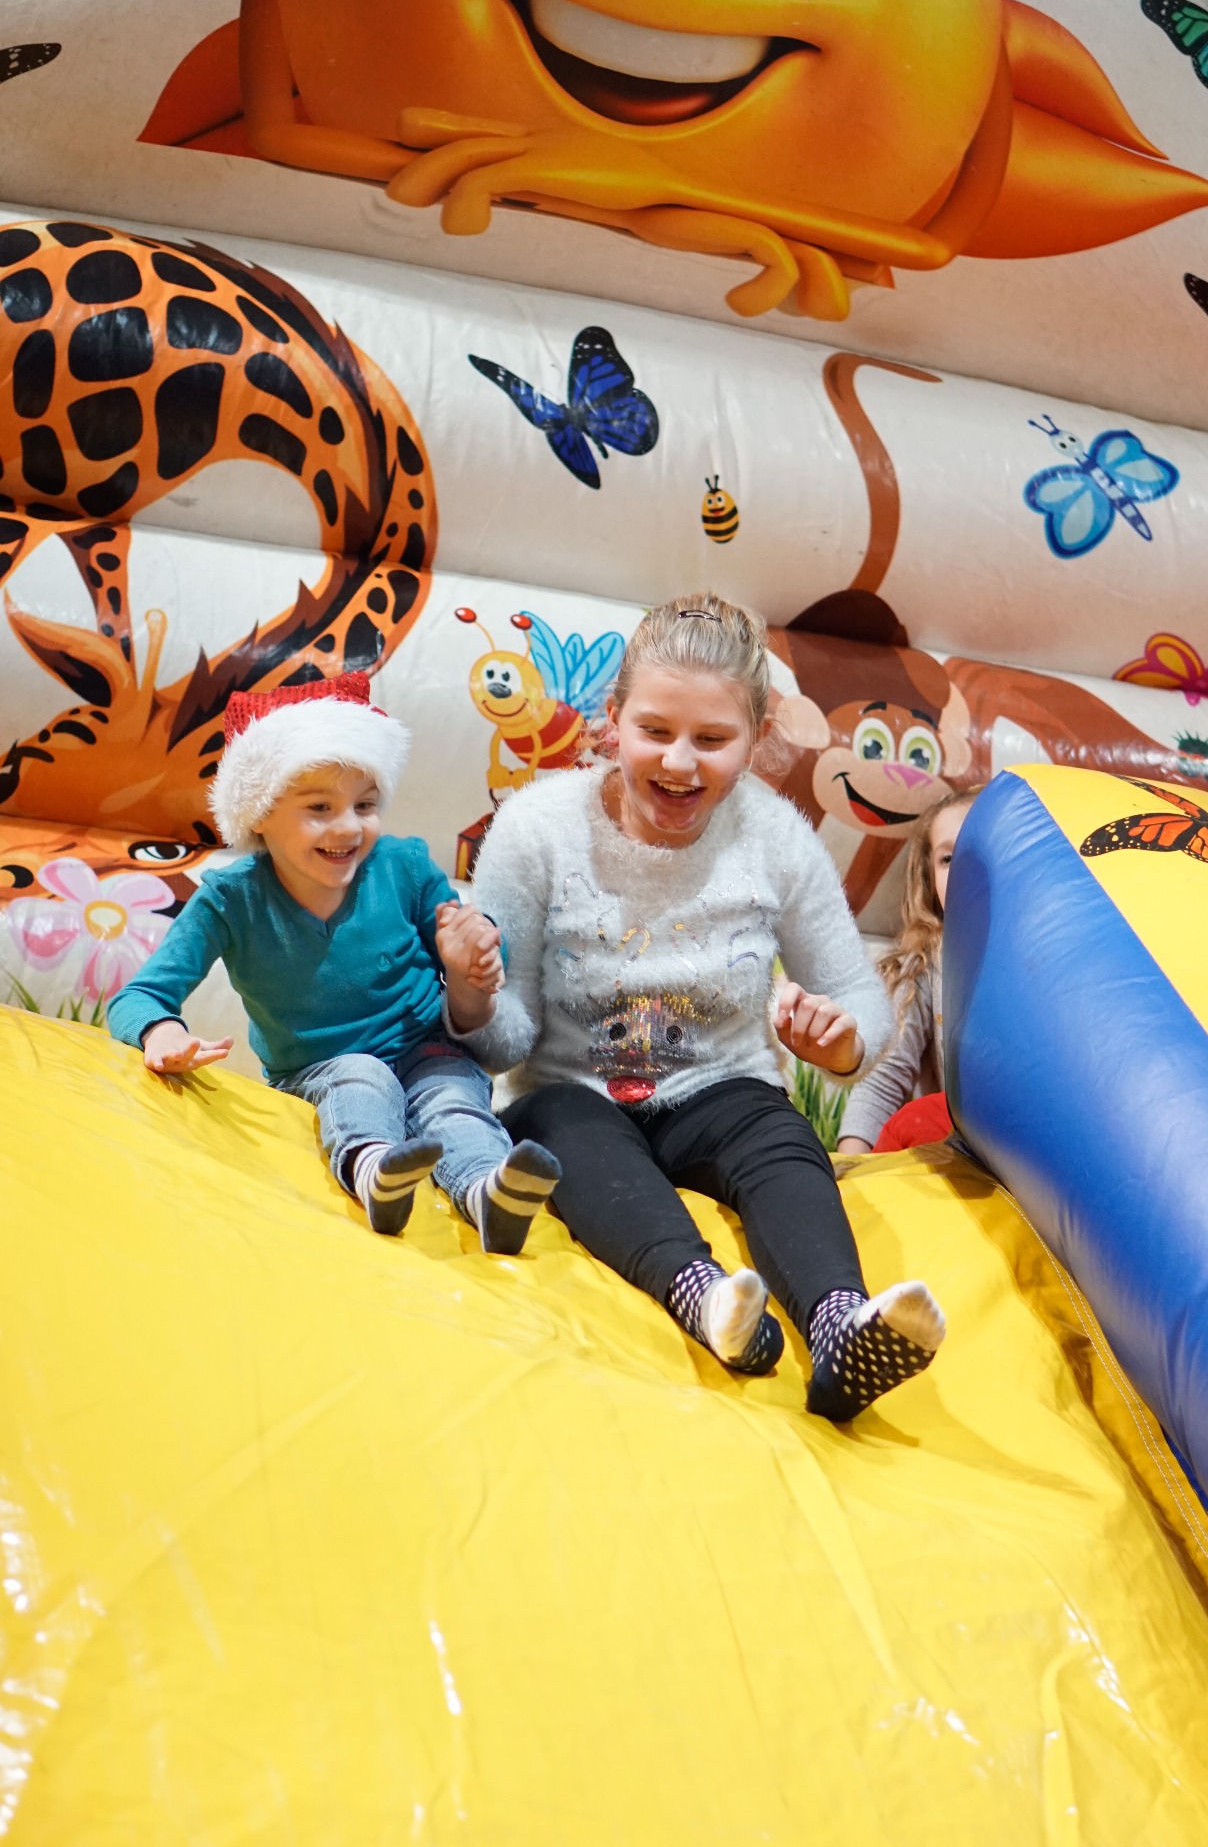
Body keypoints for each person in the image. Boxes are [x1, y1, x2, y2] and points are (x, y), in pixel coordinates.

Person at [460, 593, 946, 1423]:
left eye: (712, 740)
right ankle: (704, 1298)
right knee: (561, 1130)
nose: (680, 764)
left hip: (720, 1094)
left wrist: (837, 1039)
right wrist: (473, 993)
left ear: (754, 742)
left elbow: (857, 998)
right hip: (575, 1092)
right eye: (655, 731)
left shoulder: (775, 836)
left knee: (781, 1135)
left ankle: (839, 1329)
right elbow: (507, 1043)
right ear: (612, 721)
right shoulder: (537, 829)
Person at [108, 673, 561, 1248]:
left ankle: (486, 1193)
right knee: (362, 1075)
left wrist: (472, 962)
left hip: (428, 1048)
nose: (349, 826)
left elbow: (472, 986)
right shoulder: (230, 900)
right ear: (260, 814)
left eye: (365, 804)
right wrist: (162, 1034)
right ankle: (374, 1170)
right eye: (319, 807)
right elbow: (140, 997)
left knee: (454, 1096)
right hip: (320, 1067)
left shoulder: (403, 866)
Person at [838, 788, 982, 1156]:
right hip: (963, 1142)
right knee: (917, 1120)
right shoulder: (927, 962)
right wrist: (851, 1171)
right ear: (930, 881)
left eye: (978, 850)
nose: (964, 866)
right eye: (948, 858)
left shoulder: (1041, 949)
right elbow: (884, 1080)